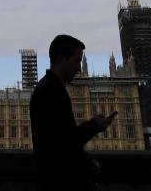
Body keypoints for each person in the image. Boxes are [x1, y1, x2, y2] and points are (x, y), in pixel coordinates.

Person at [30, 34, 115, 190]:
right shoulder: (50, 91)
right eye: (76, 61)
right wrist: (94, 126)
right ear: (62, 58)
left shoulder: (53, 87)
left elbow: (62, 138)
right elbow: (64, 144)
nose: (79, 68)